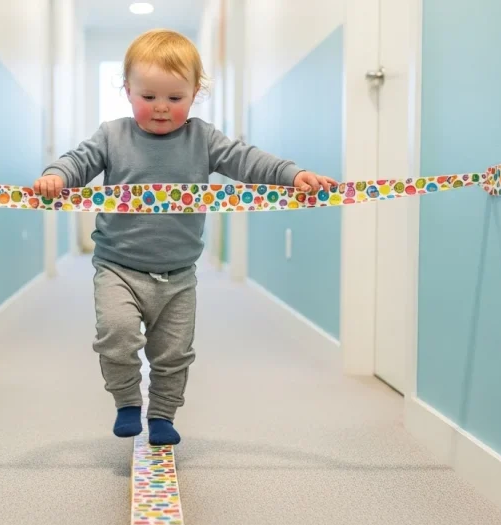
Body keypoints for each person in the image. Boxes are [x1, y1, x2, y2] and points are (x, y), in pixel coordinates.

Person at [34, 29, 337, 446]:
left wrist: (292, 175)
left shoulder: (204, 139)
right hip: (118, 267)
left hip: (178, 275)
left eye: (175, 99)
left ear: (195, 93)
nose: (161, 108)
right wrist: (57, 176)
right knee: (117, 336)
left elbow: (248, 161)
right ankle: (126, 401)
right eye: (148, 97)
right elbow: (78, 161)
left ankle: (162, 414)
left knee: (173, 352)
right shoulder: (112, 135)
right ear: (127, 91)